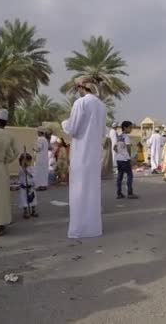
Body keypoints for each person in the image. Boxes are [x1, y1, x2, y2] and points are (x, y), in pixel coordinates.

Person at [61, 76, 107, 239]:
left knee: (79, 190)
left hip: (81, 153)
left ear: (81, 88)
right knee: (93, 190)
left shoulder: (80, 103)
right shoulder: (102, 106)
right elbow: (103, 132)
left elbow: (73, 128)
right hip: (94, 155)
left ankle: (79, 229)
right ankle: (93, 228)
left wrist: (64, 123)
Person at [115, 121, 138, 199]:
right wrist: (130, 157)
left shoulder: (119, 136)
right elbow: (128, 147)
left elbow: (114, 148)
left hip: (119, 159)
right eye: (130, 128)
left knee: (120, 176)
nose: (131, 129)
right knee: (129, 175)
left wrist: (119, 153)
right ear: (125, 127)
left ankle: (119, 193)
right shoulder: (126, 137)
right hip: (125, 159)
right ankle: (130, 193)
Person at [18, 152, 37, 219]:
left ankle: (33, 210)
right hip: (24, 188)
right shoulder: (21, 169)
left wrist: (27, 172)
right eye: (25, 162)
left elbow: (33, 175)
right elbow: (20, 176)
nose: (27, 163)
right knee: (24, 200)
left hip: (31, 187)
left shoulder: (32, 168)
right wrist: (23, 168)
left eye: (28, 161)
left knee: (33, 199)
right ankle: (25, 212)